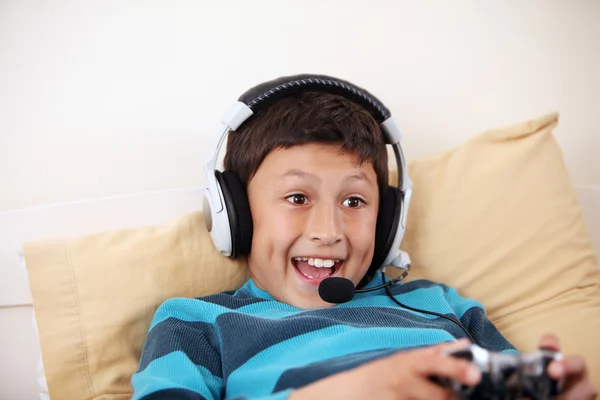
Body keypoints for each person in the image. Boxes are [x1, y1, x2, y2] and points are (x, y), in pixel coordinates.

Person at [131, 75, 596, 400]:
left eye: (354, 203)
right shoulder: (197, 322)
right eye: (297, 197)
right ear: (234, 214)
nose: (328, 232)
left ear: (389, 219)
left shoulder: (442, 305)